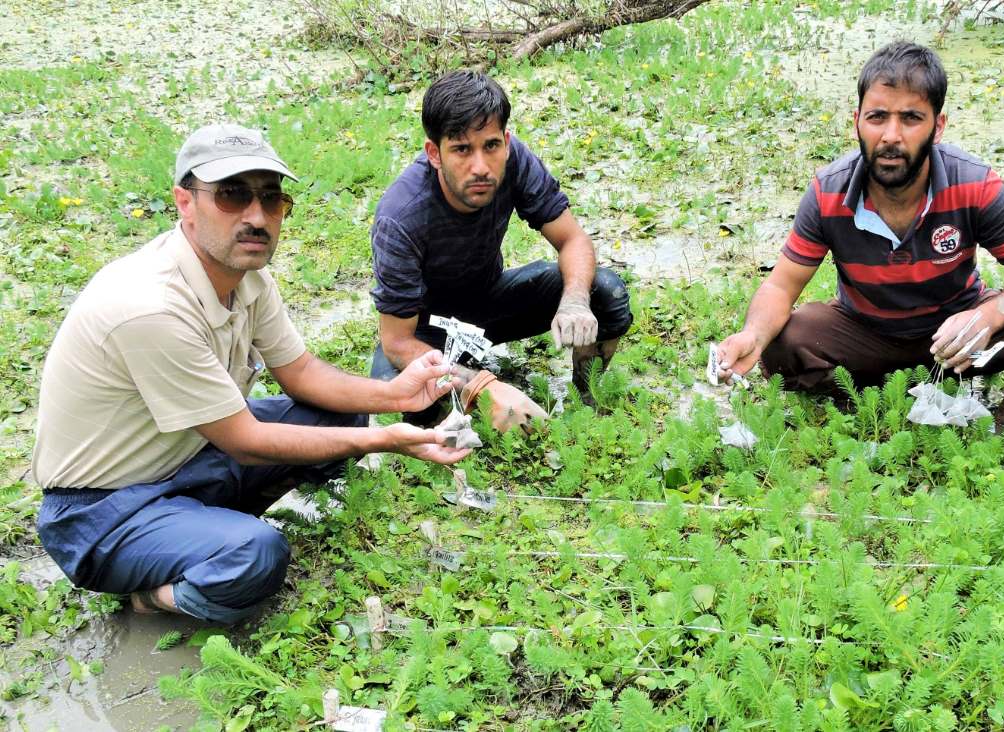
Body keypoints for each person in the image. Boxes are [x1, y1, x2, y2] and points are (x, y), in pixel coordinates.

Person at [32, 124, 470, 624]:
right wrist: (384, 439)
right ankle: (152, 592)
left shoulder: (248, 277)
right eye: (232, 195)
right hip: (102, 511)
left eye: (271, 199)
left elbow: (301, 372)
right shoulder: (149, 307)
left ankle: (206, 529)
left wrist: (394, 395)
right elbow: (245, 441)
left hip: (188, 455)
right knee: (255, 555)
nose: (257, 217)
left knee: (342, 416)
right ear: (185, 202)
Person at [715, 42, 1004, 428]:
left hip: (959, 340)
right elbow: (781, 288)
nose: (891, 135)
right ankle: (867, 403)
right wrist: (752, 336)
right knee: (783, 343)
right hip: (866, 334)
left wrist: (987, 318)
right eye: (877, 116)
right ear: (857, 122)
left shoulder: (974, 184)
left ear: (938, 126)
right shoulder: (827, 192)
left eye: (912, 118)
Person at [369, 70, 633, 427]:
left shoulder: (515, 161)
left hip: (491, 300)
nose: (481, 167)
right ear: (434, 153)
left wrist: (574, 301)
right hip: (426, 329)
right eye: (461, 149)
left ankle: (586, 396)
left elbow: (573, 240)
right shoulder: (400, 216)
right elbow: (398, 342)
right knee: (399, 392)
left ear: (505, 142)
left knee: (605, 292)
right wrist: (483, 387)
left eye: (491, 146)